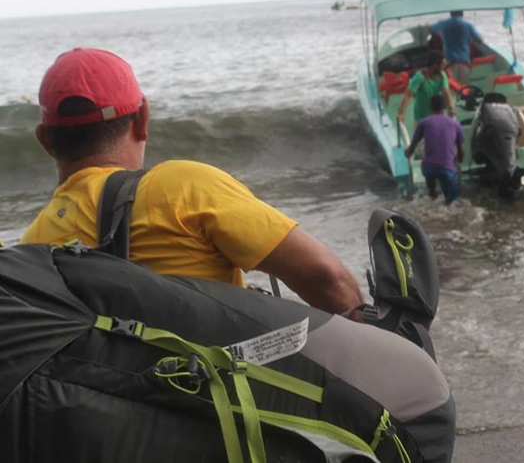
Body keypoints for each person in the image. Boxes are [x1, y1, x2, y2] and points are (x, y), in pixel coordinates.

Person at [21, 47, 363, 315]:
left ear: (45, 140)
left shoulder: (32, 248)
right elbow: (327, 280)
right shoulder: (184, 188)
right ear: (143, 118)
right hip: (217, 398)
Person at [405, 95, 464, 204]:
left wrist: (407, 153)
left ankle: (432, 194)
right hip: (447, 168)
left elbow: (412, 146)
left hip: (428, 168)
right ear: (445, 107)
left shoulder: (423, 123)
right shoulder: (455, 123)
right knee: (453, 201)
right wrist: (458, 160)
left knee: (432, 192)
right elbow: (461, 151)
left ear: (430, 107)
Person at [397, 51, 454, 124]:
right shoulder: (419, 77)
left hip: (436, 118)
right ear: (434, 65)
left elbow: (446, 93)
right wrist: (401, 113)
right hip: (421, 119)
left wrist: (451, 108)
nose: (444, 68)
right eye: (442, 65)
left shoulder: (442, 75)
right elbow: (408, 95)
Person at [430, 10, 483, 84]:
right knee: (464, 90)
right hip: (464, 63)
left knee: (452, 89)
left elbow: (432, 29)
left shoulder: (444, 23)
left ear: (451, 13)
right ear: (462, 13)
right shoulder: (468, 25)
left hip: (449, 63)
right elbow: (479, 40)